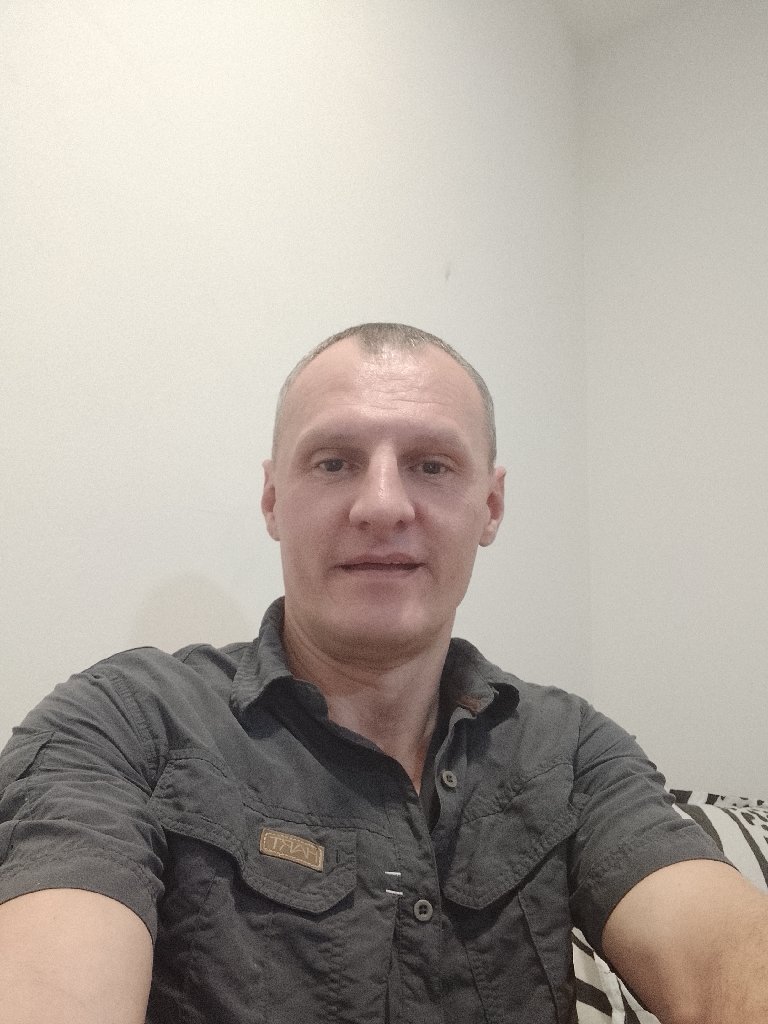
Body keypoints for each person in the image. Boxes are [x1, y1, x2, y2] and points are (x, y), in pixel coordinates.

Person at [0, 322, 765, 1024]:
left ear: (491, 506)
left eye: (431, 465)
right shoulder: (124, 723)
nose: (382, 505)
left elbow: (719, 954)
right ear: (273, 499)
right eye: (334, 462)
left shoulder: (570, 750)